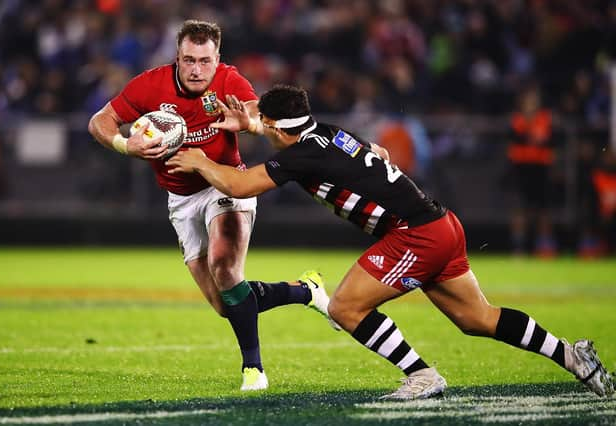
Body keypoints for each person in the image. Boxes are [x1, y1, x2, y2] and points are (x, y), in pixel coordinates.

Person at [165, 84, 615, 399]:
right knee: (477, 318)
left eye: (265, 123)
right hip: (441, 223)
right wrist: (256, 124)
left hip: (414, 234)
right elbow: (367, 153)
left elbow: (240, 187)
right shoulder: (327, 133)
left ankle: (421, 375)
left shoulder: (303, 152)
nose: (260, 128)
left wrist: (201, 160)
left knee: (343, 307)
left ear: (279, 127)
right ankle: (572, 356)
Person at [88, 21, 337, 392]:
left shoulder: (229, 81)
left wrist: (249, 124)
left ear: (217, 58)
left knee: (224, 266)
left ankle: (253, 369)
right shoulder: (149, 85)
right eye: (189, 60)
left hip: (225, 182)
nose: (196, 69)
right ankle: (306, 290)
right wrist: (127, 145)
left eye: (205, 61)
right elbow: (99, 121)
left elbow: (256, 113)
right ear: (177, 57)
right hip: (181, 199)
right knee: (227, 304)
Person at [505, 84, 559, 257]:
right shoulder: (517, 120)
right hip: (522, 169)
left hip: (541, 168)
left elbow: (551, 142)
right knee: (520, 208)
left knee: (543, 210)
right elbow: (516, 141)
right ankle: (518, 247)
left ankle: (544, 246)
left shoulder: (546, 119)